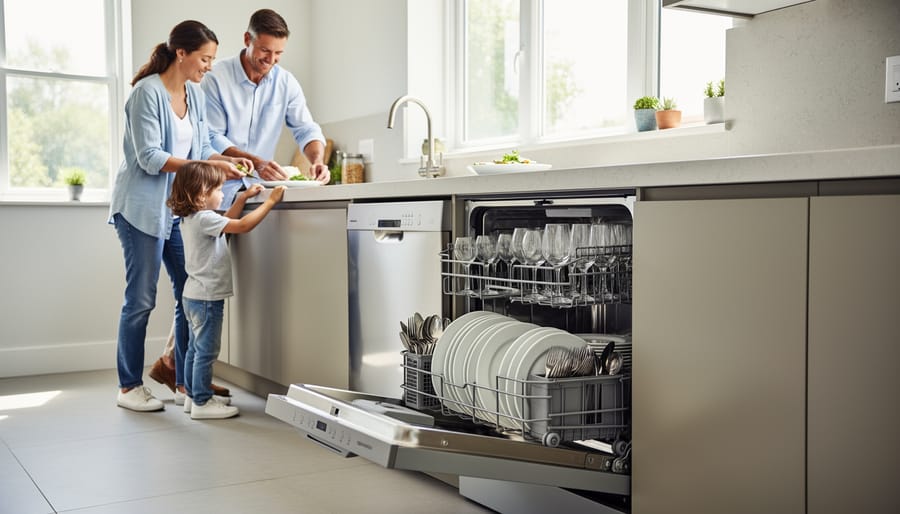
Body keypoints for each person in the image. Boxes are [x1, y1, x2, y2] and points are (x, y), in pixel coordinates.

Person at [147, 8, 330, 388]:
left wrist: (316, 159)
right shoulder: (216, 79)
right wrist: (252, 160)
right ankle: (183, 368)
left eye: (278, 54)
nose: (271, 60)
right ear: (248, 40)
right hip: (211, 194)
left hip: (248, 190)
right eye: (265, 51)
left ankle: (177, 365)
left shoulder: (285, 82)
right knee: (199, 281)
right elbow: (209, 138)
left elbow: (306, 127)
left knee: (202, 281)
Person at [109, 20, 253, 412]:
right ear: (182, 53)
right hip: (140, 209)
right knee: (140, 299)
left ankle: (187, 383)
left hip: (176, 210)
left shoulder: (194, 94)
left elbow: (204, 145)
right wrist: (205, 170)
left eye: (211, 59)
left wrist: (227, 161)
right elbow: (150, 158)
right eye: (204, 58)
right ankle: (128, 387)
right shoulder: (146, 93)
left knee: (191, 290)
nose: (209, 66)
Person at [167, 162, 286, 419]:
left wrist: (243, 197)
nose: (222, 194)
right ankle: (202, 402)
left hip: (193, 295)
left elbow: (227, 220)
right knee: (207, 351)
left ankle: (191, 395)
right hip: (208, 298)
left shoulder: (191, 219)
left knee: (194, 349)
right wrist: (270, 202)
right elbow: (241, 226)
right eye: (218, 189)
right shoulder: (205, 219)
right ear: (201, 194)